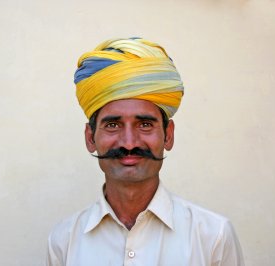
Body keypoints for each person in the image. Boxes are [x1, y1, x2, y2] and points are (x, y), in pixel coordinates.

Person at [46, 37, 244, 266]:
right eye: (112, 125)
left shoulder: (214, 237)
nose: (129, 143)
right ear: (90, 138)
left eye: (145, 124)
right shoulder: (64, 241)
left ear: (168, 135)